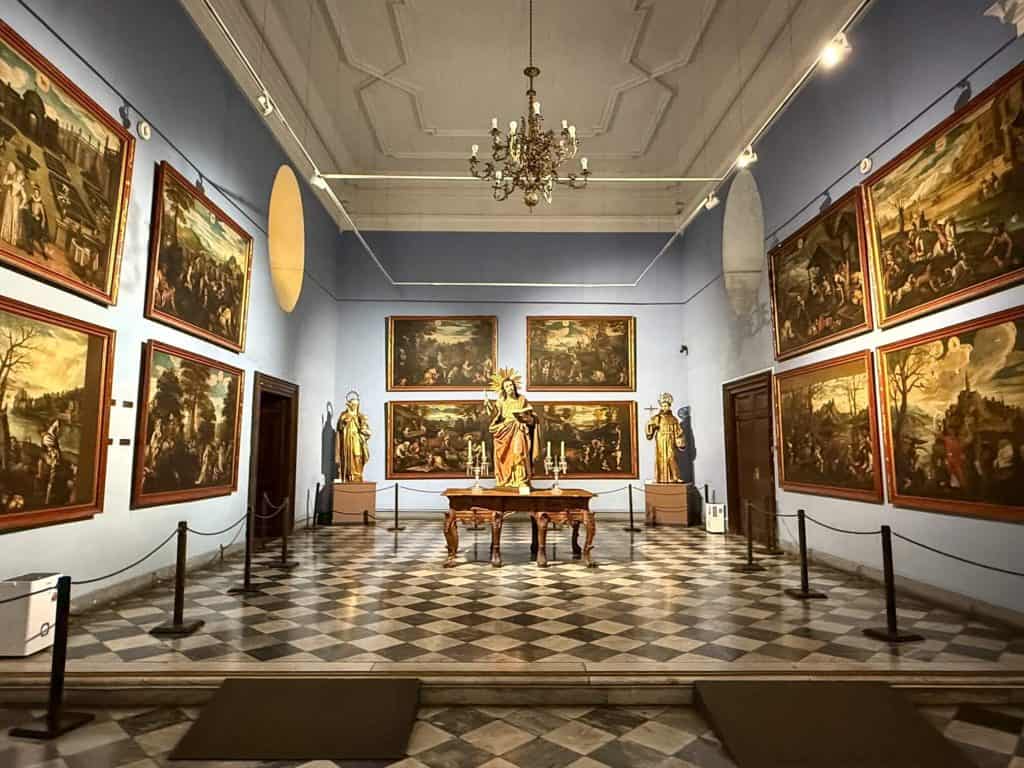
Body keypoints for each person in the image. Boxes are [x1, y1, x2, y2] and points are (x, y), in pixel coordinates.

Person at [487, 372, 539, 489]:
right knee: (506, 456)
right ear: (503, 389)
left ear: (514, 386)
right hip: (505, 431)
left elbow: (531, 417)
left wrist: (529, 418)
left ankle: (521, 479)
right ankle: (507, 479)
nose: (509, 388)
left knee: (519, 452)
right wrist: (489, 408)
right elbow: (495, 418)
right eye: (506, 386)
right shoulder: (501, 402)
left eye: (511, 385)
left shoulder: (522, 400)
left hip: (519, 430)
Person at [645, 393, 686, 483]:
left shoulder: (674, 419)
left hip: (670, 439)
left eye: (666, 405)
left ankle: (675, 476)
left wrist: (680, 442)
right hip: (661, 439)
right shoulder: (658, 418)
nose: (665, 407)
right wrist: (650, 424)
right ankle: (660, 477)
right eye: (663, 406)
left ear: (669, 406)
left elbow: (678, 432)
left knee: (671, 456)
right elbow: (650, 427)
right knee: (661, 457)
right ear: (661, 406)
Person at [336, 391, 371, 482]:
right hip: (348, 440)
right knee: (350, 457)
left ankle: (358, 474)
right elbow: (340, 427)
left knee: (358, 455)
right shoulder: (344, 415)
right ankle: (350, 475)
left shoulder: (360, 416)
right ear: (350, 405)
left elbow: (366, 429)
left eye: (356, 405)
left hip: (358, 439)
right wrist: (345, 421)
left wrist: (365, 432)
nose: (355, 407)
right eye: (353, 405)